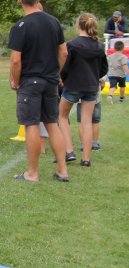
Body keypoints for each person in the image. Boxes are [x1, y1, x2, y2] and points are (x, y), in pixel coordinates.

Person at [8, 0, 69, 182]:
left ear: (20, 1)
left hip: (30, 82)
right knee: (53, 124)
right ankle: (62, 169)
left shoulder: (20, 27)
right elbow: (64, 52)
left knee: (31, 125)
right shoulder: (54, 23)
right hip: (51, 81)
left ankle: (32, 173)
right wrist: (56, 72)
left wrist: (16, 81)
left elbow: (16, 60)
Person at [57, 13, 109, 167]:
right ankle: (86, 158)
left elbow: (65, 65)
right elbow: (104, 68)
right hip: (92, 87)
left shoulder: (71, 45)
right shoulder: (99, 45)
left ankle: (69, 151)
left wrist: (63, 77)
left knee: (62, 117)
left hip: (73, 85)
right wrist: (95, 76)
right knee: (87, 122)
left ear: (78, 25)